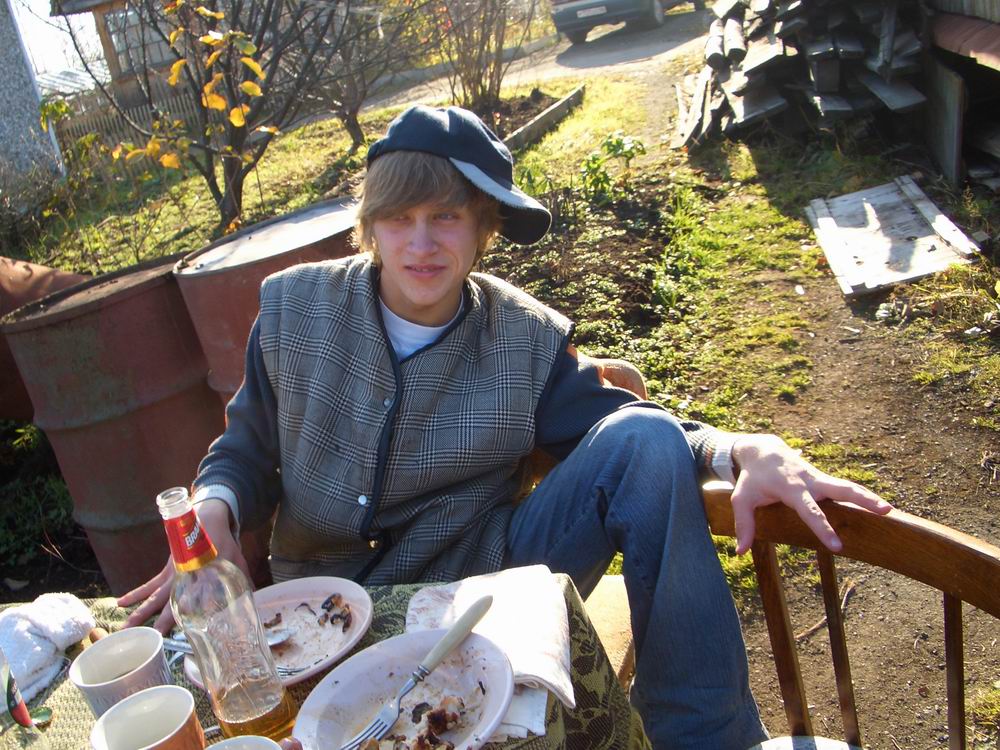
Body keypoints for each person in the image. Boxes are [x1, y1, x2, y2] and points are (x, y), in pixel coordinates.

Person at [120, 105, 891, 749]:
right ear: (371, 225)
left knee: (647, 444)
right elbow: (245, 448)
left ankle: (708, 736)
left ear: (484, 227)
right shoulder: (295, 310)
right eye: (399, 218)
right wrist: (217, 504)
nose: (421, 243)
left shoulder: (524, 340)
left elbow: (630, 431)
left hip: (479, 587)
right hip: (324, 612)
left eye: (447, 217)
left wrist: (740, 447)